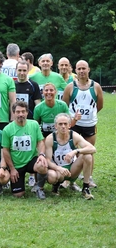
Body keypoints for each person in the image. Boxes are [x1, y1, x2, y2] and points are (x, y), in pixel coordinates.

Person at [62, 60, 103, 188]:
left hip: (89, 124)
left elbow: (100, 105)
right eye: (79, 69)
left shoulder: (96, 86)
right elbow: (65, 106)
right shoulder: (70, 87)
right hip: (74, 125)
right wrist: (73, 118)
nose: (81, 71)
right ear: (75, 70)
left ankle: (88, 178)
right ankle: (68, 178)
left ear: (88, 69)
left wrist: (89, 115)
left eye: (83, 68)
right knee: (70, 150)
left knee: (88, 151)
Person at [2, 101, 48, 199]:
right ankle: (15, 181)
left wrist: (41, 155)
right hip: (17, 164)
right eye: (18, 112)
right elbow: (5, 150)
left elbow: (41, 142)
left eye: (23, 111)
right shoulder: (7, 129)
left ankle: (39, 188)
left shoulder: (34, 124)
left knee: (42, 165)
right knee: (18, 194)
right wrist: (12, 169)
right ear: (13, 113)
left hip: (31, 160)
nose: (21, 114)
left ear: (27, 112)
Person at [44, 113, 95, 199]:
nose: (63, 126)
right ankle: (55, 186)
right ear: (56, 126)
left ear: (69, 125)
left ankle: (85, 188)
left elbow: (92, 148)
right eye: (60, 124)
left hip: (72, 169)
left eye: (65, 124)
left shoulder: (74, 135)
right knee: (51, 176)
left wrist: (75, 151)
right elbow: (48, 161)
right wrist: (59, 168)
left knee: (88, 156)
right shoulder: (50, 138)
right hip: (58, 170)